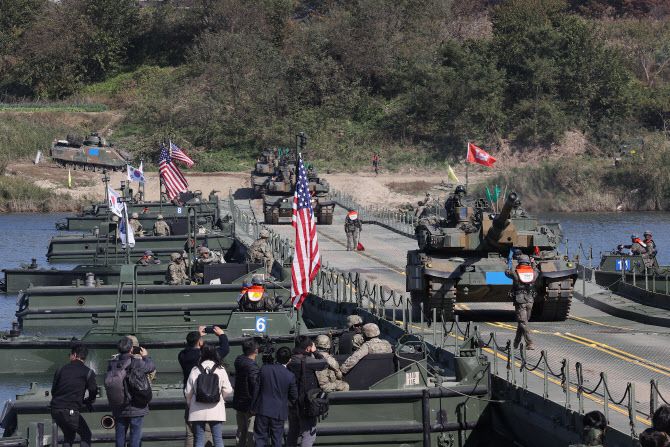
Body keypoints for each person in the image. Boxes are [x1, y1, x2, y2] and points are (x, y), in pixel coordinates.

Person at [178, 326, 229, 447]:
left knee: (191, 433)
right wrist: (222, 335)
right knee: (209, 433)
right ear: (200, 342)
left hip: (193, 398)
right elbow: (225, 349)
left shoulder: (182, 355)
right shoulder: (205, 356)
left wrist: (197, 336)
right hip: (212, 398)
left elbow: (189, 348)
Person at [106, 336, 156, 447]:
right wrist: (145, 356)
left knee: (120, 436)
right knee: (135, 436)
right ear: (131, 349)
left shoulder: (112, 364)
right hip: (136, 406)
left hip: (119, 405)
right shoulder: (137, 362)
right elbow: (151, 367)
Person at [185, 345, 233, 447]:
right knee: (218, 439)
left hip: (197, 408)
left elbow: (188, 391)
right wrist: (221, 398)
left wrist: (189, 403)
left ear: (201, 354)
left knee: (199, 439)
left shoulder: (195, 369)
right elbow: (228, 389)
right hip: (216, 408)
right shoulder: (220, 369)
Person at [50, 344, 97, 447]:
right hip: (70, 411)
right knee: (86, 434)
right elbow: (93, 391)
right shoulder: (88, 372)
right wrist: (88, 401)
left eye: (69, 355)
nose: (69, 357)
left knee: (69, 435)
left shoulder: (60, 369)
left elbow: (53, 391)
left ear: (74, 355)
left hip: (55, 410)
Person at [253, 346, 298, 447]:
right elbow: (294, 396)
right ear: (289, 360)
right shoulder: (290, 375)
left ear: (276, 356)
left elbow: (256, 389)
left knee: (260, 439)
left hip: (263, 408)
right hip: (279, 411)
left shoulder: (264, 369)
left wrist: (253, 406)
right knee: (277, 439)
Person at [287, 336, 327, 447]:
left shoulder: (290, 360)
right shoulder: (307, 361)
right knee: (309, 433)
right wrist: (315, 352)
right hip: (305, 403)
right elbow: (324, 363)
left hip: (292, 402)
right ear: (308, 348)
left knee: (293, 431)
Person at [505, 254, 539, 350]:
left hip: (520, 300)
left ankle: (529, 343)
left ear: (519, 262)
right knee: (523, 322)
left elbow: (507, 272)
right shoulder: (533, 273)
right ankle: (516, 343)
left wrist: (509, 264)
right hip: (530, 300)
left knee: (523, 322)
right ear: (528, 262)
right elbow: (537, 271)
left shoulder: (515, 273)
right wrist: (533, 264)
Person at [233, 339, 260, 447]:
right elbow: (255, 386)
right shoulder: (252, 366)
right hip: (250, 405)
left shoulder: (239, 361)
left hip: (240, 403)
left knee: (241, 432)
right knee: (251, 433)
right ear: (256, 350)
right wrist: (255, 406)